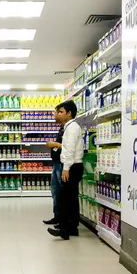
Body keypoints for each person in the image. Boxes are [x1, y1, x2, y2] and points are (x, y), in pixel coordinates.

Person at [47, 100, 84, 240]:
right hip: (73, 166)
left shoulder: (72, 128)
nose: (59, 114)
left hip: (72, 166)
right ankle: (72, 227)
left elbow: (69, 150)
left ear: (69, 113)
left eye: (61, 112)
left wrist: (66, 168)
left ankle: (64, 230)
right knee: (71, 198)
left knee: (65, 198)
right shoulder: (70, 127)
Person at [43, 107, 63, 225]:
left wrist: (54, 144)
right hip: (56, 163)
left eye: (58, 112)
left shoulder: (69, 128)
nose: (55, 115)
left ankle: (62, 219)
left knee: (60, 192)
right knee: (55, 192)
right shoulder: (62, 128)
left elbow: (68, 146)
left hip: (61, 164)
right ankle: (57, 216)